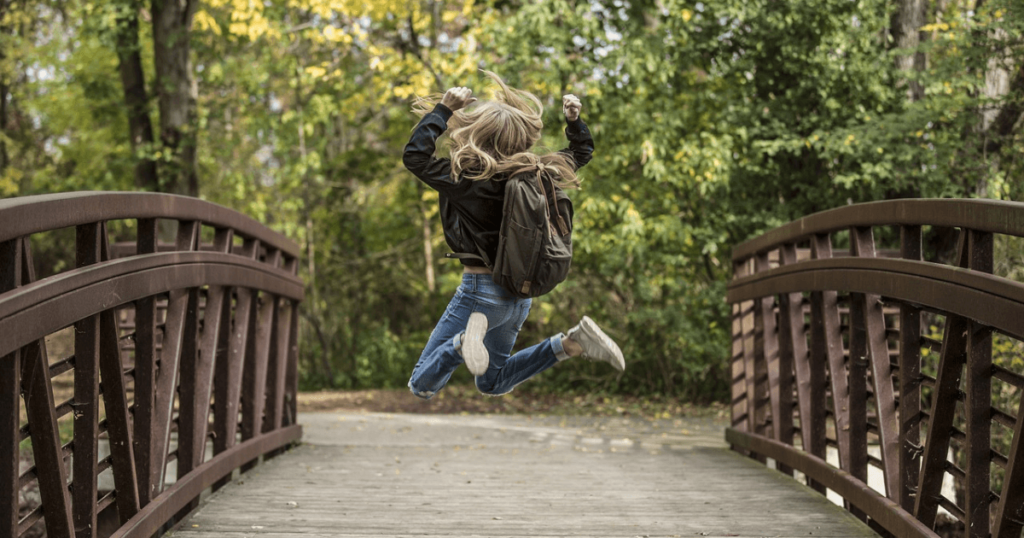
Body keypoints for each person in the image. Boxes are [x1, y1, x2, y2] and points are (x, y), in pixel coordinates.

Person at [403, 71, 625, 400]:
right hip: (518, 297)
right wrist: (574, 122)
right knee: (492, 382)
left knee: (421, 385)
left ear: (477, 132)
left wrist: (444, 109)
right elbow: (580, 154)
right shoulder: (538, 173)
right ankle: (572, 343)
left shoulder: (464, 177)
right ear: (520, 137)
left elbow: (415, 157)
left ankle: (463, 343)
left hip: (479, 294)